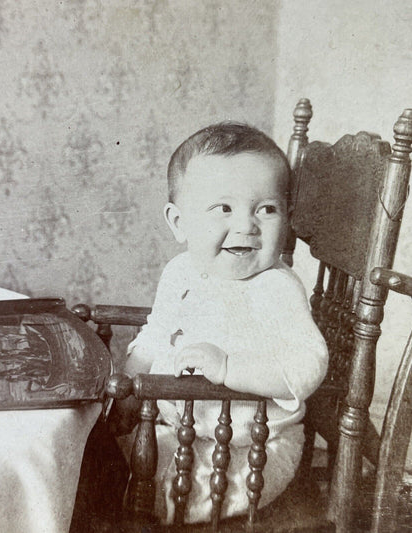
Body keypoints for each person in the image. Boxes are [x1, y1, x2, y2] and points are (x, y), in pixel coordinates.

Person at [120, 122, 329, 524]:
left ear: (286, 217)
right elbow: (156, 334)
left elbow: (309, 365)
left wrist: (229, 369)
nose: (247, 226)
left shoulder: (277, 287)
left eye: (266, 209)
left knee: (128, 490)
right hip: (177, 429)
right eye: (224, 208)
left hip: (251, 450)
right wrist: (129, 386)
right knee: (92, 447)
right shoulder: (180, 272)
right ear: (179, 223)